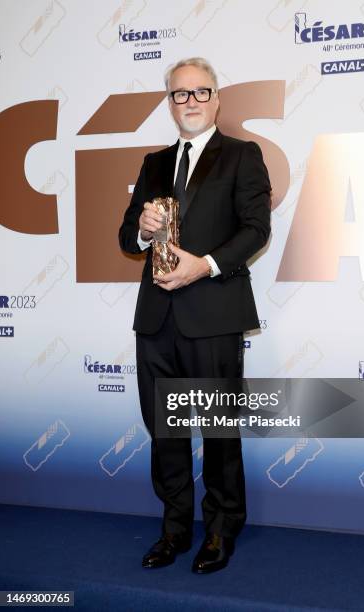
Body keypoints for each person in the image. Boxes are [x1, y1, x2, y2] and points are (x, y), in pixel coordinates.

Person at [119, 57, 271, 574]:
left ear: (217, 99)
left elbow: (255, 230)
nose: (191, 102)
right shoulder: (153, 163)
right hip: (157, 321)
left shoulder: (242, 156)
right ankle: (175, 530)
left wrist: (203, 267)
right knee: (166, 431)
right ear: (169, 102)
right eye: (180, 94)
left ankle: (222, 529)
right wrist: (141, 228)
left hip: (213, 315)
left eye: (200, 92)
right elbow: (126, 239)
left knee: (218, 431)